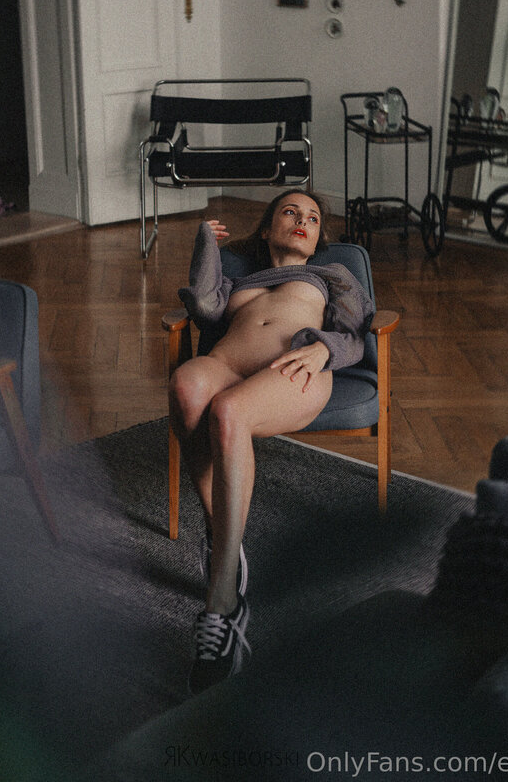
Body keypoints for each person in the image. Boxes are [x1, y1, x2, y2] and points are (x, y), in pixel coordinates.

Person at [170, 190, 375, 694]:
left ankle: (224, 599)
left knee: (228, 411)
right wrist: (205, 245)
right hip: (227, 363)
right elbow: (203, 304)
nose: (303, 220)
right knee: (186, 387)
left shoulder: (331, 275)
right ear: (266, 229)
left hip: (294, 370)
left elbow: (357, 330)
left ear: (318, 238)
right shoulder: (239, 280)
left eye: (313, 218)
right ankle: (225, 541)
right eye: (290, 212)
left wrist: (324, 351)